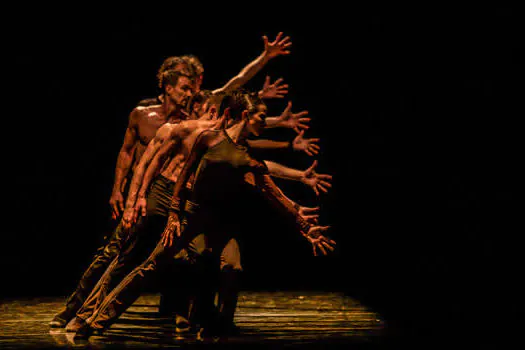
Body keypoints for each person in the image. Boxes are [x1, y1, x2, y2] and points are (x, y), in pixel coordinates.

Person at [74, 91, 335, 339]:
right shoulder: (209, 138)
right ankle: (95, 321)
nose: (264, 122)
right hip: (192, 215)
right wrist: (174, 213)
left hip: (222, 222)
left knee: (232, 266)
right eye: (261, 116)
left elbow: (273, 193)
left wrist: (304, 226)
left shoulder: (248, 156)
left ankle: (220, 327)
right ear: (244, 114)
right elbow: (184, 174)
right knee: (151, 265)